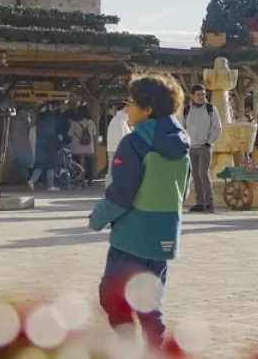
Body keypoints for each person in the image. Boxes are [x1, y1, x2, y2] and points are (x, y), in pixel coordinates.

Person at [89, 75, 192, 346]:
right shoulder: (182, 145)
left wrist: (97, 219)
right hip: (165, 234)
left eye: (132, 103)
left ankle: (129, 347)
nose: (128, 109)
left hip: (132, 237)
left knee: (112, 294)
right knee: (148, 298)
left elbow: (121, 195)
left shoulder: (134, 143)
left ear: (147, 109)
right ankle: (154, 343)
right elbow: (185, 191)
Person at [183, 86, 222, 214]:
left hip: (205, 146)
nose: (201, 97)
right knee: (195, 174)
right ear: (192, 95)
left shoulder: (210, 108)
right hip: (191, 147)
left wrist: (209, 142)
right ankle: (199, 202)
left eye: (203, 94)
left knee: (203, 173)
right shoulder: (186, 110)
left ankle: (209, 203)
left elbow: (217, 127)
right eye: (198, 94)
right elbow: (182, 127)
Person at [28, 104, 63, 192]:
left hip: (39, 146)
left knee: (40, 165)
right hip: (49, 146)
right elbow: (52, 135)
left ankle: (32, 180)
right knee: (51, 166)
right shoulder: (50, 121)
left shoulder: (39, 123)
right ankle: (50, 186)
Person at [69, 107, 99, 186]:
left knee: (76, 164)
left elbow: (70, 134)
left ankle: (78, 179)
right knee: (89, 164)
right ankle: (89, 179)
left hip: (76, 148)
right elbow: (94, 133)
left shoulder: (74, 123)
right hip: (89, 148)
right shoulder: (91, 123)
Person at [105, 102, 132, 185]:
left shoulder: (122, 120)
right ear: (126, 107)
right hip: (118, 152)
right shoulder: (119, 121)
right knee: (114, 174)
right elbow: (121, 140)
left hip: (118, 151)